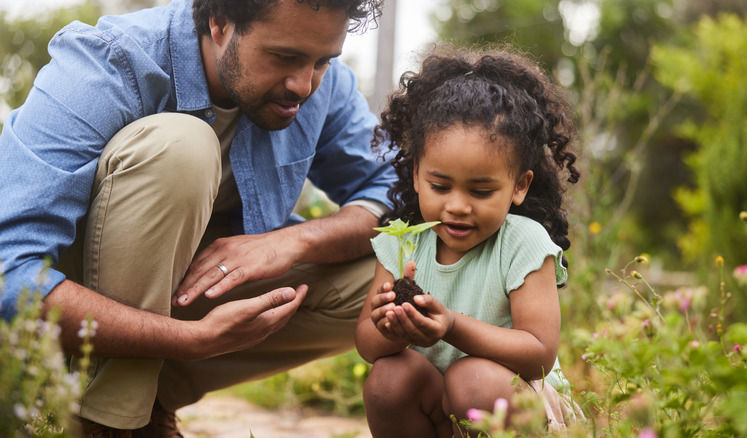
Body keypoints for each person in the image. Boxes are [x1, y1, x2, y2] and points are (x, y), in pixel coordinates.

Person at [0, 0, 395, 436]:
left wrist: (295, 241)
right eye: (285, 57)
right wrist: (190, 339)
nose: (303, 84)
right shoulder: (107, 62)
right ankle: (100, 418)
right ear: (220, 23)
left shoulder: (326, 85)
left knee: (391, 280)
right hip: (61, 326)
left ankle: (152, 402)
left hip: (187, 292)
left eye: (322, 60)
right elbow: (9, 275)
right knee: (182, 146)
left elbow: (395, 190)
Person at [354, 46, 583, 437]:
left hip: (516, 408)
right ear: (416, 174)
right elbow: (368, 346)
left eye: (480, 191)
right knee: (389, 377)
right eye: (440, 186)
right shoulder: (402, 242)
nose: (457, 207)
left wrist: (451, 326)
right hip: (442, 409)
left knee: (471, 379)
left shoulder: (523, 243)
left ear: (519, 186)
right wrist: (387, 327)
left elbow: (539, 354)